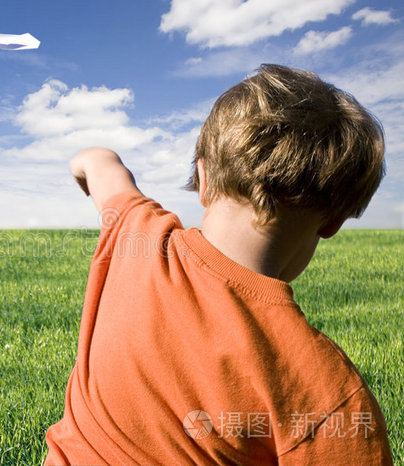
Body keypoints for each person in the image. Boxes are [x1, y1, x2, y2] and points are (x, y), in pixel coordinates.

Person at [44, 64, 393, 465]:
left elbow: (95, 160)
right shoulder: (328, 394)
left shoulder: (134, 236)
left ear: (204, 178)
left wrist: (88, 171)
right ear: (334, 220)